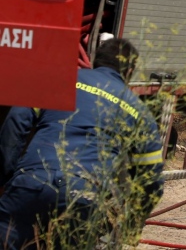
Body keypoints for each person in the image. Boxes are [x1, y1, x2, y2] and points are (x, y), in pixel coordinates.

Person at [0, 38, 164, 250]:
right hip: (85, 195)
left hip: (32, 181)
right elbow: (151, 181)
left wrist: (6, 175)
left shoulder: (59, 80)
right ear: (130, 70)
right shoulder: (139, 113)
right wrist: (132, 227)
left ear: (96, 60)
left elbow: (16, 121)